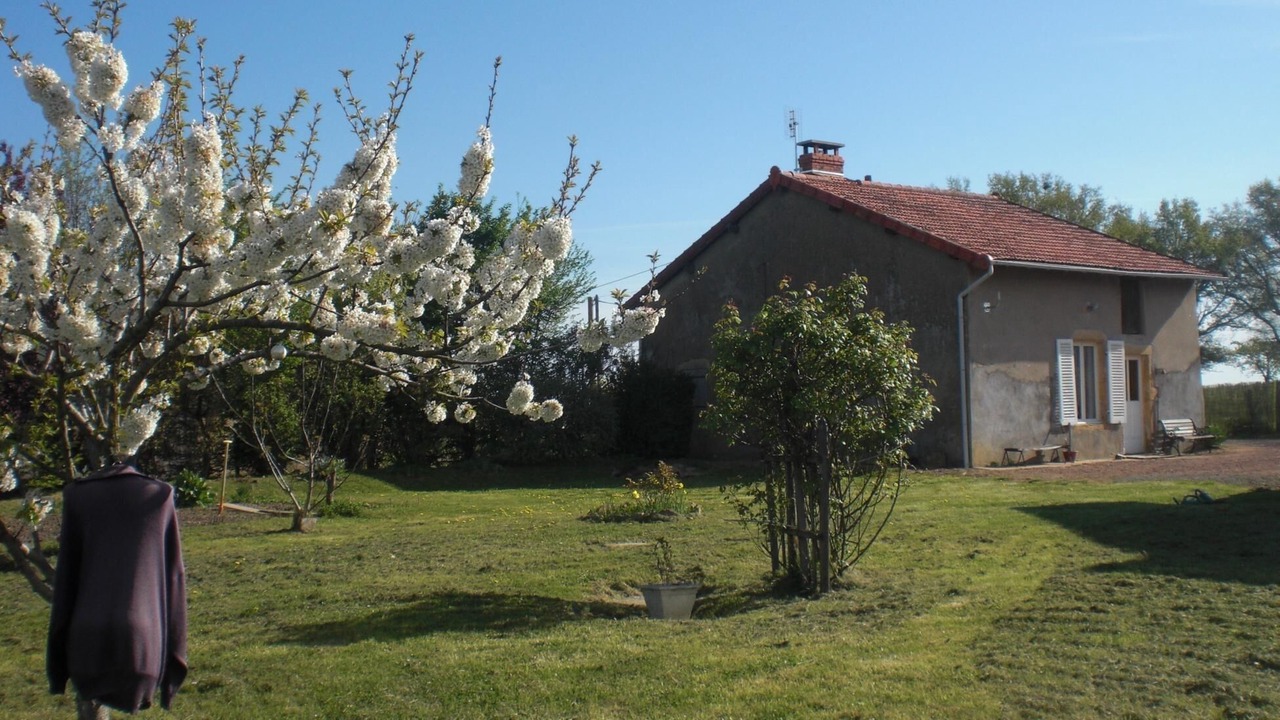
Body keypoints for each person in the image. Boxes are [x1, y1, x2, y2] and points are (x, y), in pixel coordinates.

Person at [47, 463, 188, 714]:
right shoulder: (160, 494)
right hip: (142, 646)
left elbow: (66, 582)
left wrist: (57, 669)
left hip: (85, 642)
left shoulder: (77, 495)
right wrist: (175, 663)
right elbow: (174, 579)